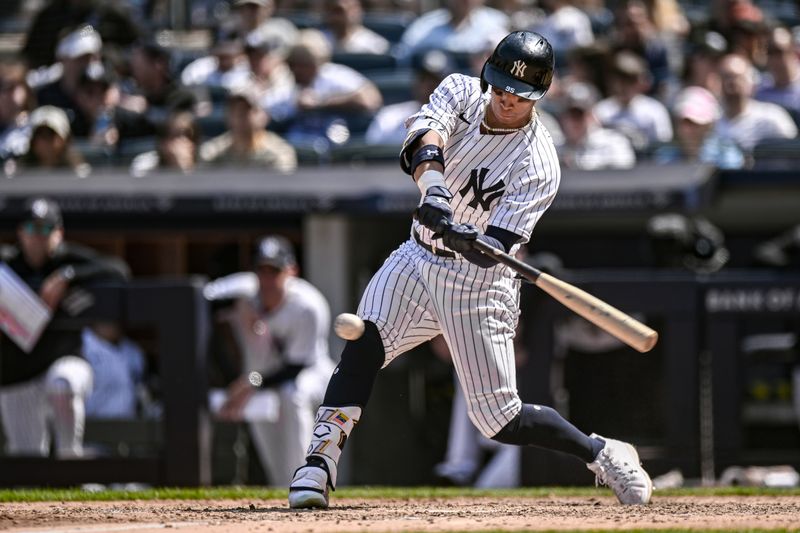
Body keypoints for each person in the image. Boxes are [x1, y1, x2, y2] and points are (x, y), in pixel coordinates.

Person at [288, 31, 652, 509]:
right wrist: (435, 191)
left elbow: (496, 248)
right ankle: (318, 462)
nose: (505, 100)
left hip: (479, 285)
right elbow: (423, 140)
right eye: (501, 87)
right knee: (364, 343)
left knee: (499, 420)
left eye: (519, 96)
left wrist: (468, 238)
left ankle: (601, 453)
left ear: (539, 96)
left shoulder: (539, 162)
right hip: (417, 258)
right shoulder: (460, 91)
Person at [0, 197, 130, 457]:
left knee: (64, 384)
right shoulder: (7, 266)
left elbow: (119, 270)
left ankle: (70, 458)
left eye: (46, 229)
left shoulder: (68, 260)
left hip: (63, 361)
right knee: (27, 463)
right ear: (20, 233)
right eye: (30, 229)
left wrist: (69, 276)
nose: (38, 237)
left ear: (58, 233)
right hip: (17, 375)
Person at [204, 236, 334, 486]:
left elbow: (294, 367)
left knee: (292, 394)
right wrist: (239, 310)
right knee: (270, 450)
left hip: (310, 373)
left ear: (291, 271)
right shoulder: (246, 291)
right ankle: (282, 487)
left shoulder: (308, 305)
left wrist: (248, 383)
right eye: (261, 271)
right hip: (258, 377)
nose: (267, 280)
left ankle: (305, 481)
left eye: (274, 271)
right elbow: (204, 296)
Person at [714, 53, 797, 155]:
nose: (731, 83)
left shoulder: (772, 117)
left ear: (750, 81)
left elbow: (792, 157)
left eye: (737, 77)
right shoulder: (710, 122)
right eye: (726, 77)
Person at [199, 87, 297, 172]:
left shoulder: (278, 153)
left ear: (264, 116)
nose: (240, 115)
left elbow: (282, 190)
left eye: (249, 110)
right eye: (234, 110)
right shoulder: (213, 152)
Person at [593, 50, 673, 153]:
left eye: (630, 81)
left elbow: (662, 147)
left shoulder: (655, 111)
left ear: (640, 82)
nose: (623, 87)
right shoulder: (600, 111)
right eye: (619, 80)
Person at [556, 81, 636, 170]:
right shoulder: (556, 147)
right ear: (563, 117)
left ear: (591, 116)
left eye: (580, 114)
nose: (575, 121)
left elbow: (625, 169)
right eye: (572, 114)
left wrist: (582, 165)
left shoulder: (613, 142)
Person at [14, 105, 90, 177]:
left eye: (51, 134)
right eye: (39, 134)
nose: (44, 142)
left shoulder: (81, 174)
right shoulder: (20, 173)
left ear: (65, 139)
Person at [129, 111, 200, 177]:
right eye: (176, 136)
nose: (184, 141)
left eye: (188, 136)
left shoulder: (206, 165)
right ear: (163, 142)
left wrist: (184, 166)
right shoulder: (145, 164)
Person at [320, 0, 390, 55]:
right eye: (336, 11)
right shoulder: (317, 39)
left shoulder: (375, 44)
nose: (341, 16)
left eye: (350, 8)